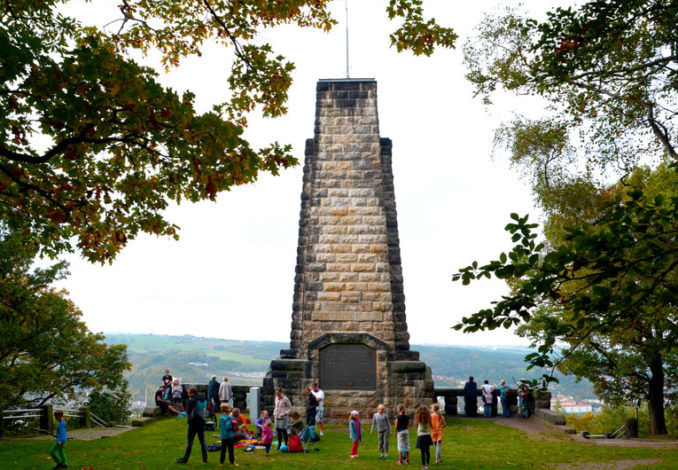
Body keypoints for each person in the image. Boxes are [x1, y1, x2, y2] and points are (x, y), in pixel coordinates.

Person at [176, 387, 208, 464]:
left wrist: (189, 422)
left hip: (193, 423)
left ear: (192, 393)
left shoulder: (192, 400)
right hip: (202, 421)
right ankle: (205, 458)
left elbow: (189, 413)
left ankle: (185, 459)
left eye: (189, 393)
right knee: (202, 441)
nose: (188, 394)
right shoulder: (204, 399)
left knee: (190, 441)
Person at [414, 405, 432, 470]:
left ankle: (423, 464)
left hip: (421, 436)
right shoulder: (428, 418)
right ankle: (427, 463)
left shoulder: (419, 418)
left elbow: (416, 425)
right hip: (427, 435)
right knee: (427, 450)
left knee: (422, 451)